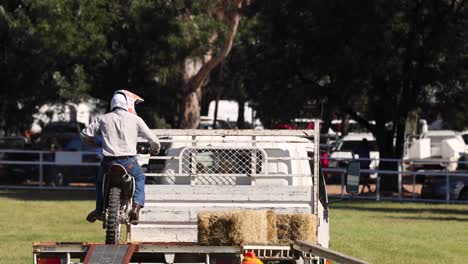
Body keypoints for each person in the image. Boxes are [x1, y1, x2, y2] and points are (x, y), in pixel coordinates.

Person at [80, 90, 160, 225]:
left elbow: (84, 134)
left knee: (100, 182)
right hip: (128, 162)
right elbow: (155, 142)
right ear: (127, 104)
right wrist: (153, 150)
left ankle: (98, 209)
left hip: (108, 163)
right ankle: (136, 207)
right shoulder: (136, 119)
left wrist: (94, 143)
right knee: (140, 177)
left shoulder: (103, 118)